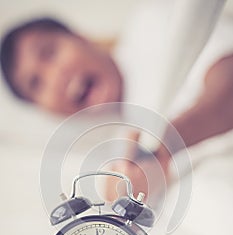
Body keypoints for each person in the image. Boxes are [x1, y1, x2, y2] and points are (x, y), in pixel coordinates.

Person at [1, 14, 233, 200]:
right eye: (37, 84)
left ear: (81, 38)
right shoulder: (107, 148)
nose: (55, 77)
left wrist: (163, 148)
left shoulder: (152, 26)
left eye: (49, 52)